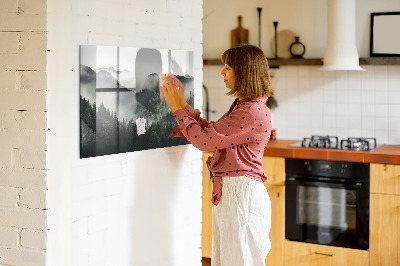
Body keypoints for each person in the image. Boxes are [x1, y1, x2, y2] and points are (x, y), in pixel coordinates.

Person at [160, 44, 273, 266]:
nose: (222, 72)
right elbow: (212, 133)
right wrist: (182, 104)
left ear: (244, 71)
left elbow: (204, 141)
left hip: (241, 195)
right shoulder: (246, 106)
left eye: (228, 67)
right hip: (236, 193)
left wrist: (176, 108)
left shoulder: (250, 111)